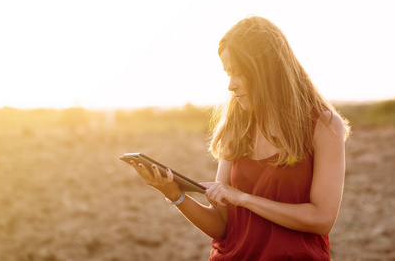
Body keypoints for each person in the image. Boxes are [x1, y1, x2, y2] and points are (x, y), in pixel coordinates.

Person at [130, 15, 350, 260]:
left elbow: (322, 220)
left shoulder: (323, 125)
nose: (230, 85)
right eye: (227, 73)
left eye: (238, 72)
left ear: (266, 68)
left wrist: (244, 199)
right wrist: (175, 195)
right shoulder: (237, 127)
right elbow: (222, 226)